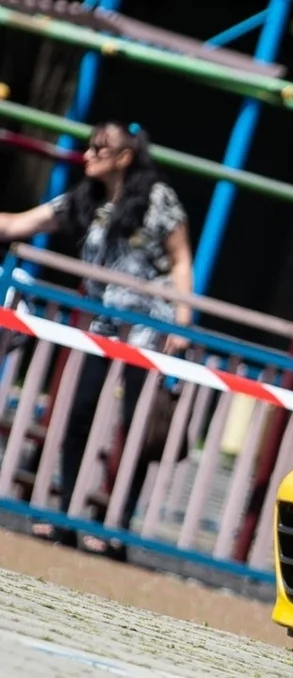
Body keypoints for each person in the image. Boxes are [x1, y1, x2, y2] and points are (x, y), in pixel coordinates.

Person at [0, 120, 193, 556]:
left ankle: (115, 526)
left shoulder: (157, 200)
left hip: (152, 328)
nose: (87, 155)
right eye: (89, 148)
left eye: (99, 150)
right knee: (77, 414)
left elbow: (181, 260)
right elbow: (17, 225)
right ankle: (65, 513)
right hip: (103, 327)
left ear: (124, 158)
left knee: (136, 430)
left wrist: (183, 321)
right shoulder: (84, 199)